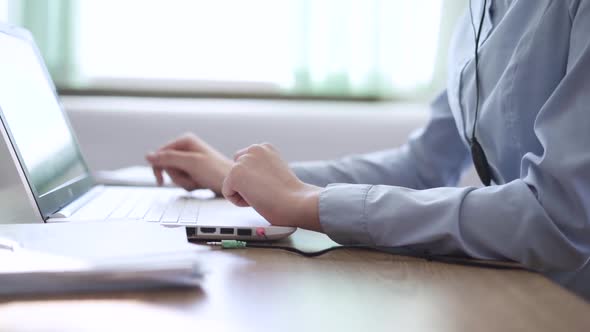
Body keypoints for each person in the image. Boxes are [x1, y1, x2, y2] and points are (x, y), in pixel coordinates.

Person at [146, 0, 590, 300]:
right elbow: (422, 167)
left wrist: (310, 203)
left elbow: (558, 217)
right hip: (521, 290)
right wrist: (238, 175)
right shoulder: (475, 12)